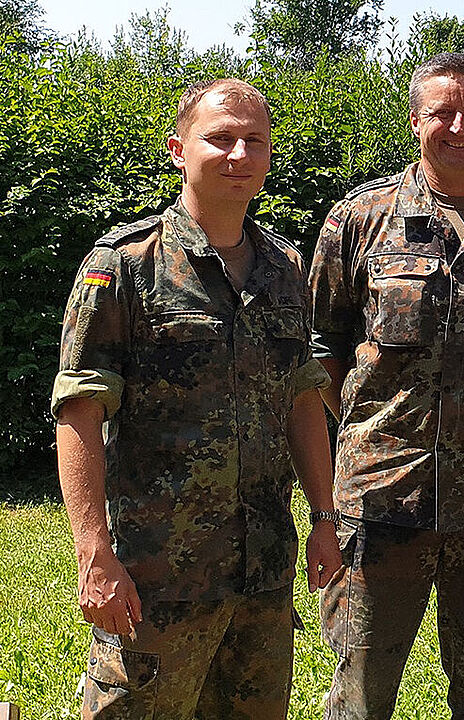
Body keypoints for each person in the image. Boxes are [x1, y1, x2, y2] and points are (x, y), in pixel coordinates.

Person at [52, 78, 340, 719]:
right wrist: (94, 552)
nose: (239, 155)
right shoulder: (126, 265)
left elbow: (301, 399)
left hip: (262, 579)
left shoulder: (283, 270)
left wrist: (325, 517)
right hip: (158, 582)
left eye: (254, 141)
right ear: (179, 150)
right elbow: (79, 410)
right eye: (219, 139)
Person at [309, 52, 464, 720]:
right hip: (378, 500)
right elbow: (321, 345)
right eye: (442, 113)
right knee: (362, 695)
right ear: (415, 120)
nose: (459, 126)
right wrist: (376, 428)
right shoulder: (359, 218)